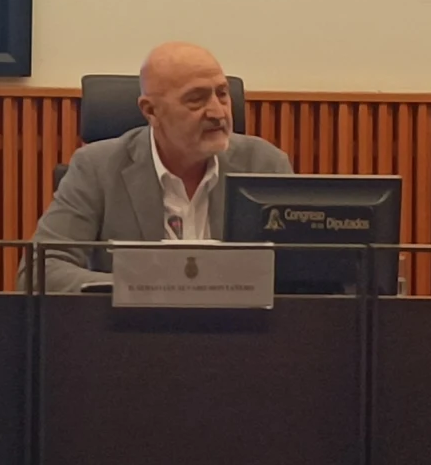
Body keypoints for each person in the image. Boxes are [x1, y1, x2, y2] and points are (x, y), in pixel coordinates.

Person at [19, 42, 294, 292]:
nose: (218, 112)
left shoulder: (264, 164)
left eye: (222, 94)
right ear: (151, 111)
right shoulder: (97, 167)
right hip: (133, 337)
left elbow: (304, 274)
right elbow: (41, 270)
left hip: (239, 337)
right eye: (196, 99)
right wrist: (138, 290)